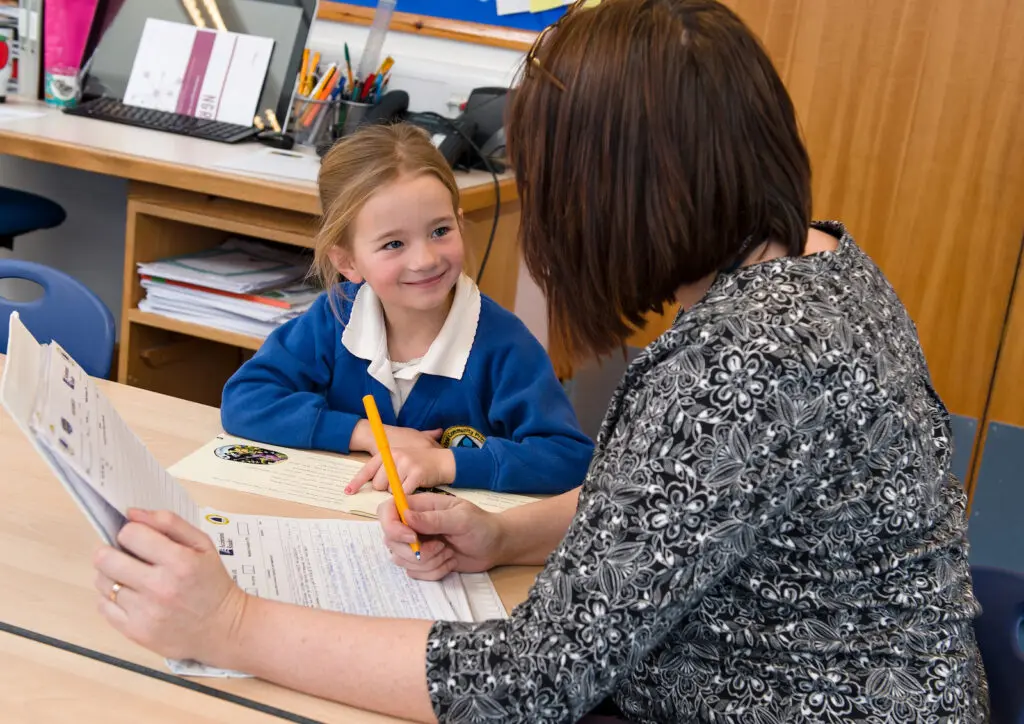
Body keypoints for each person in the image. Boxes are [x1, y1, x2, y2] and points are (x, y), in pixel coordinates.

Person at [91, 1, 989, 722]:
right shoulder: (816, 262)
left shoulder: (747, 359)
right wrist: (505, 532)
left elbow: (528, 684)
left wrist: (233, 622)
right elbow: (676, 512)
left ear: (617, 194)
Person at [219, 123, 593, 495]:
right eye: (394, 243)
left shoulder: (505, 346)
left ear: (460, 224)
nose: (425, 259)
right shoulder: (335, 317)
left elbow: (569, 458)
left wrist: (446, 463)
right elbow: (245, 399)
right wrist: (371, 435)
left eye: (440, 231)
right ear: (347, 261)